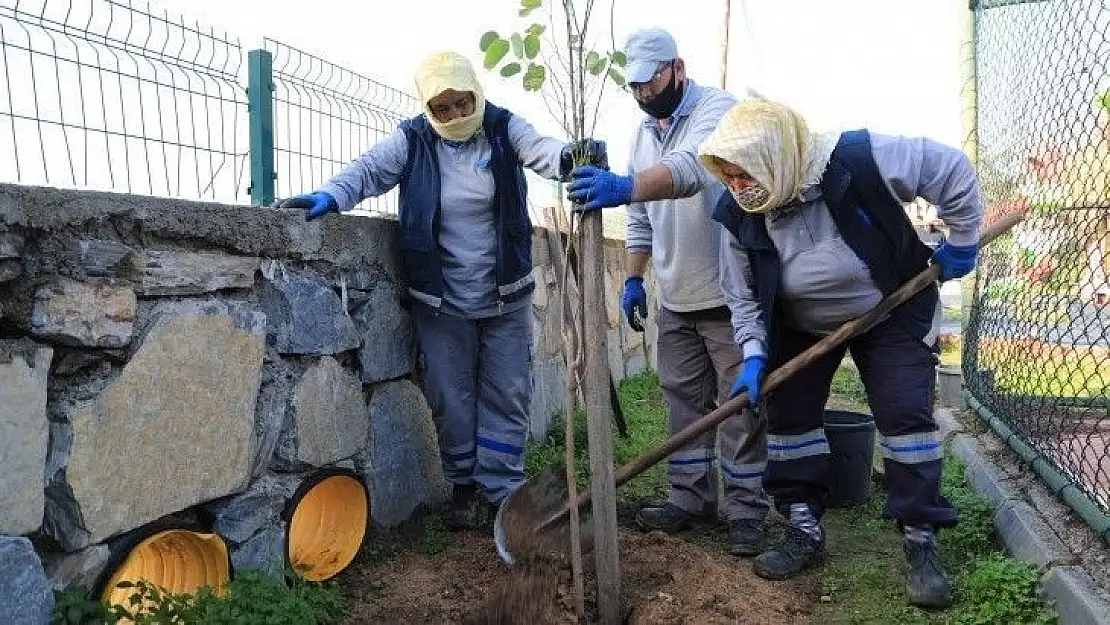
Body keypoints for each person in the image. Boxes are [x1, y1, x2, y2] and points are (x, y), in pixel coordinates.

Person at [278, 51, 605, 530]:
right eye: (442, 108)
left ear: (476, 92)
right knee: (451, 397)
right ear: (428, 109)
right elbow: (367, 171)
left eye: (461, 102)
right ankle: (464, 485)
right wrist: (331, 195)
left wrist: (573, 158)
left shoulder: (502, 128)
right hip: (442, 300)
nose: (454, 115)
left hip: (504, 293)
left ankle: (503, 488)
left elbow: (542, 151)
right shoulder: (412, 139)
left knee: (508, 392)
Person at [697, 97, 984, 609]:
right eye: (730, 177)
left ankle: (920, 539)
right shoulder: (736, 215)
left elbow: (950, 168)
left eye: (745, 174)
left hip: (890, 306)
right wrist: (756, 353)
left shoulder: (855, 157)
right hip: (799, 324)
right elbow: (741, 294)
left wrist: (962, 240)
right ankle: (803, 527)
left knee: (906, 417)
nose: (739, 187)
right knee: (789, 420)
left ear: (775, 157)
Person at [566, 28, 771, 556]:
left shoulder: (717, 110)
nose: (642, 94)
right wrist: (634, 276)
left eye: (650, 82)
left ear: (677, 68)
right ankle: (689, 497)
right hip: (676, 298)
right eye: (633, 86)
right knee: (683, 401)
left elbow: (689, 171)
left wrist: (625, 184)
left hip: (729, 294)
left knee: (739, 406)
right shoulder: (642, 133)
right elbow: (640, 218)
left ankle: (746, 509)